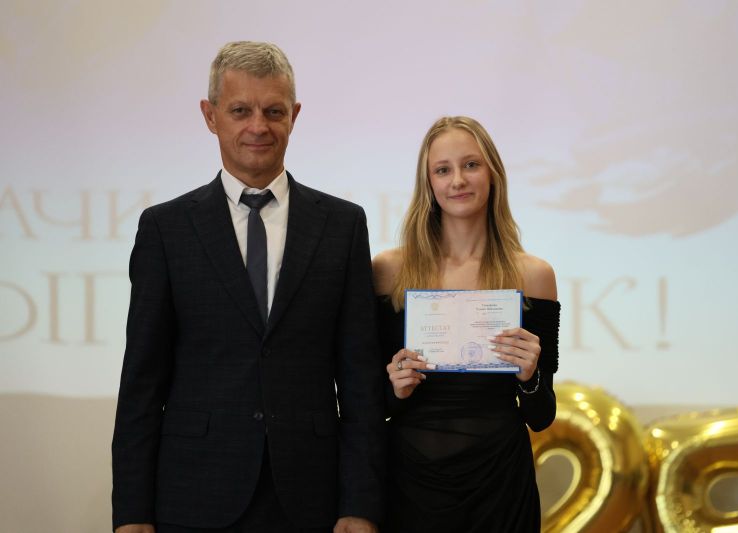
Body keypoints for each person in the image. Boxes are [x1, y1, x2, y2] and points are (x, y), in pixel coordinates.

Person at [112, 41, 384, 533]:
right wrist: (132, 516)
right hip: (194, 496)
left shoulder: (342, 225)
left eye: (273, 111)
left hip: (312, 498)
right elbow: (141, 384)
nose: (258, 126)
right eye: (240, 110)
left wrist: (359, 504)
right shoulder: (166, 229)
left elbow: (360, 379)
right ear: (210, 115)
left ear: (294, 116)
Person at [372, 116, 560, 532]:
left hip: (500, 483)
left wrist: (529, 376)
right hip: (410, 481)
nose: (457, 180)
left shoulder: (533, 276)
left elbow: (542, 415)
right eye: (443, 170)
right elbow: (370, 405)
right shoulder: (389, 271)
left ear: (492, 174)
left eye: (471, 165)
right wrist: (395, 387)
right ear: (429, 183)